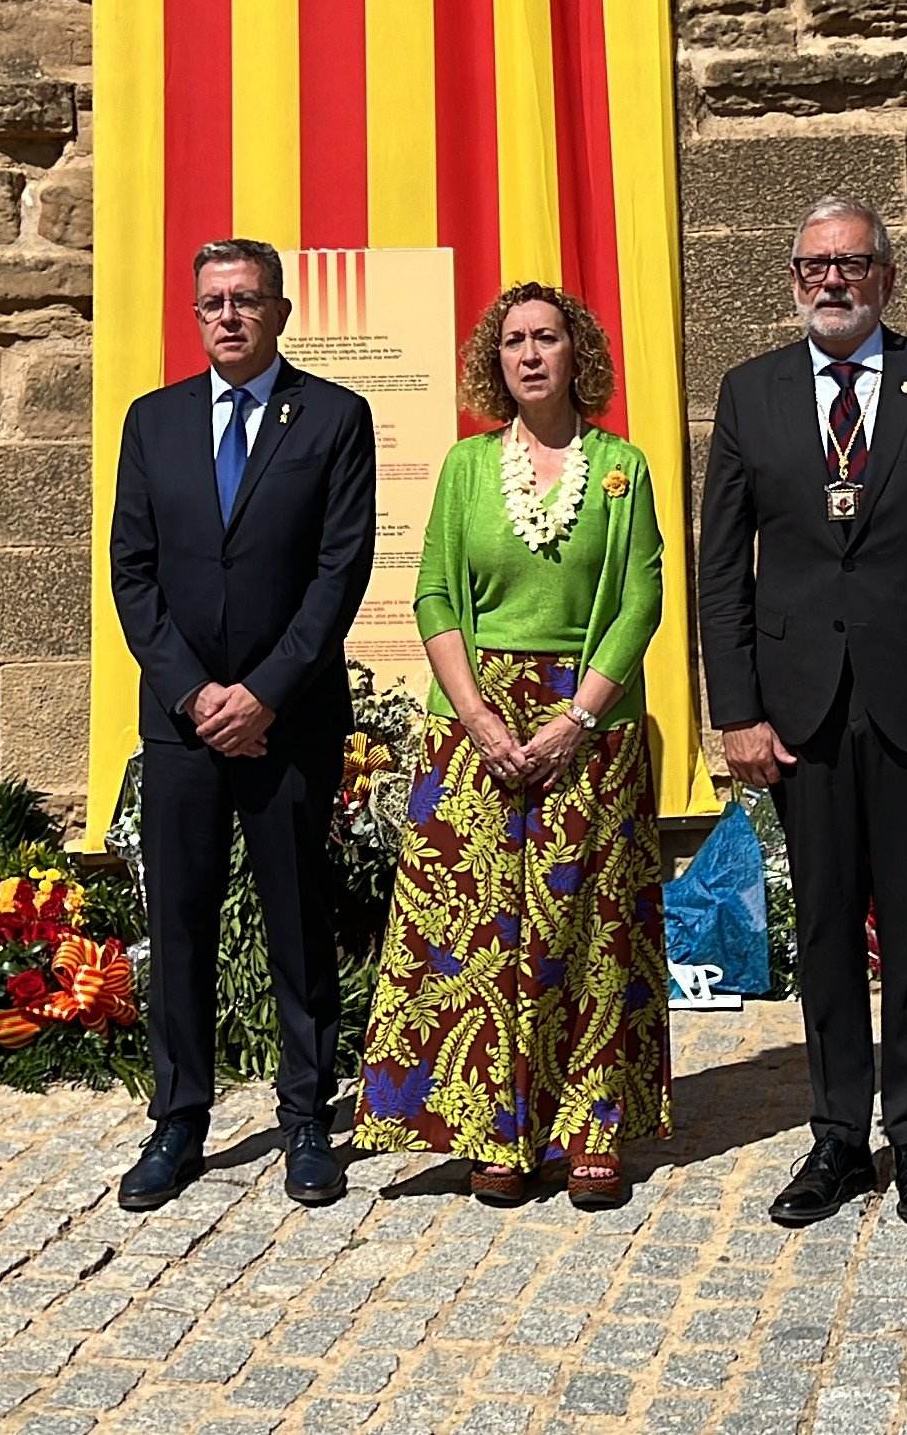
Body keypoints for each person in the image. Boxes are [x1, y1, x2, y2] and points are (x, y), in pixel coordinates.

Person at [699, 195, 907, 1231]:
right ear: (794, 281)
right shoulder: (750, 394)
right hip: (799, 709)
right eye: (812, 268)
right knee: (828, 924)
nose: (830, 282)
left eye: (849, 265)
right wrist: (737, 710)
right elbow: (722, 572)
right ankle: (837, 1136)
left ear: (885, 276)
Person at [354, 283, 670, 1209]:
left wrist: (574, 719)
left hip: (589, 717)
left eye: (547, 338)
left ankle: (592, 1128)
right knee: (475, 932)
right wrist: (482, 718)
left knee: (588, 923)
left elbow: (640, 601)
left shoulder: (623, 467)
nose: (530, 355)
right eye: (513, 342)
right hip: (474, 717)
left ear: (581, 356)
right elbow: (436, 598)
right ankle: (493, 1127)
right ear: (494, 362)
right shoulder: (463, 467)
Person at [108, 238, 379, 1208]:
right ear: (195, 313)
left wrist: (262, 694)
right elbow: (132, 574)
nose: (227, 316)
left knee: (298, 917)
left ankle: (308, 1117)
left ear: (280, 311)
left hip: (290, 720)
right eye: (212, 302)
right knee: (177, 920)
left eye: (245, 301)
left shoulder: (335, 420)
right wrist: (195, 696)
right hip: (183, 727)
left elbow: (336, 573)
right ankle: (178, 1120)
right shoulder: (154, 422)